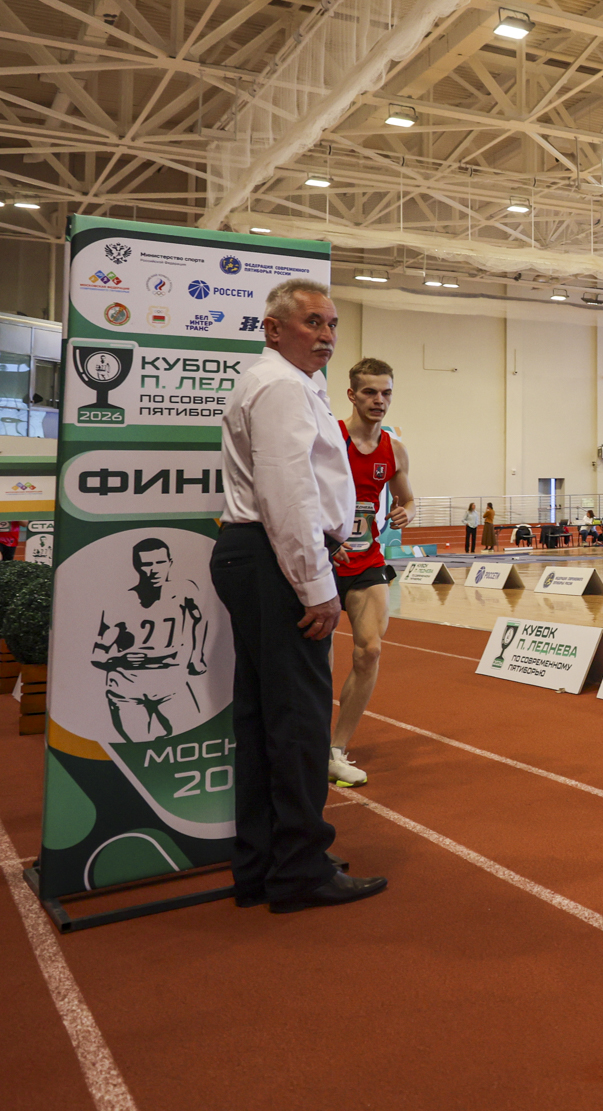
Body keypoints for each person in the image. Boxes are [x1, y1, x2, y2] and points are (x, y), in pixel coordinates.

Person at [212, 277, 387, 914]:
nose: (326, 336)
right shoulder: (282, 386)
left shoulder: (283, 382)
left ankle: (264, 863)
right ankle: (298, 870)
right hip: (273, 561)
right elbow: (287, 493)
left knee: (264, 719)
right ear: (273, 328)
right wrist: (316, 587)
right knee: (298, 723)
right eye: (312, 322)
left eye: (332, 324)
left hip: (257, 556)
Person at [327, 358, 415, 789]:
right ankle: (302, 743)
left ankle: (335, 750)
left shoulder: (394, 449)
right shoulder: (330, 438)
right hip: (321, 562)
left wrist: (405, 512)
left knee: (370, 651)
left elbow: (407, 499)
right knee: (314, 662)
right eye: (370, 392)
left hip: (366, 560)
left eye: (386, 393)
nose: (379, 400)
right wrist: (326, 542)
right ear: (351, 395)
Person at [94, 537, 208, 744]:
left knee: (188, 738)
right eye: (146, 564)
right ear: (136, 566)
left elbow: (200, 620)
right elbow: (97, 655)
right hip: (127, 689)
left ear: (170, 563)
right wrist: (120, 660)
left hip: (172, 684)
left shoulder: (186, 591)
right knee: (139, 747)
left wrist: (197, 656)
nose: (154, 570)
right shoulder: (120, 602)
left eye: (160, 562)